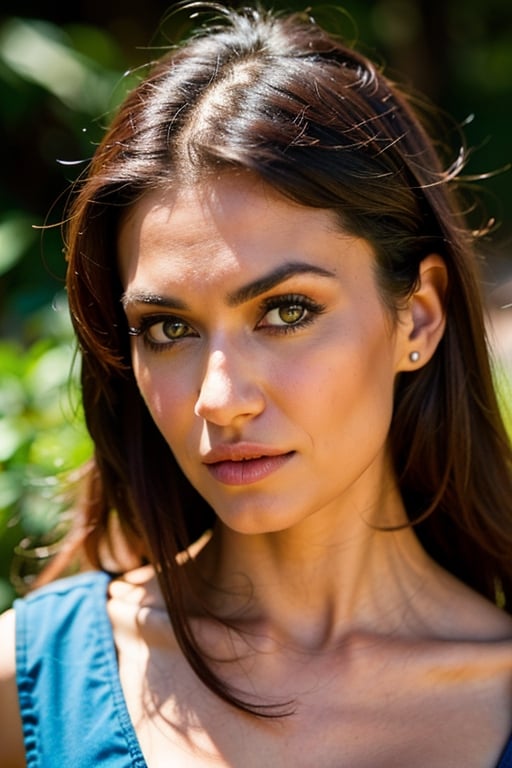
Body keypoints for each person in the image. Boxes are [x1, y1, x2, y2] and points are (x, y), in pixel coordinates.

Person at [1, 4, 512, 766]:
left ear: (419, 319)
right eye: (168, 329)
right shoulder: (30, 685)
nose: (220, 397)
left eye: (287, 311)